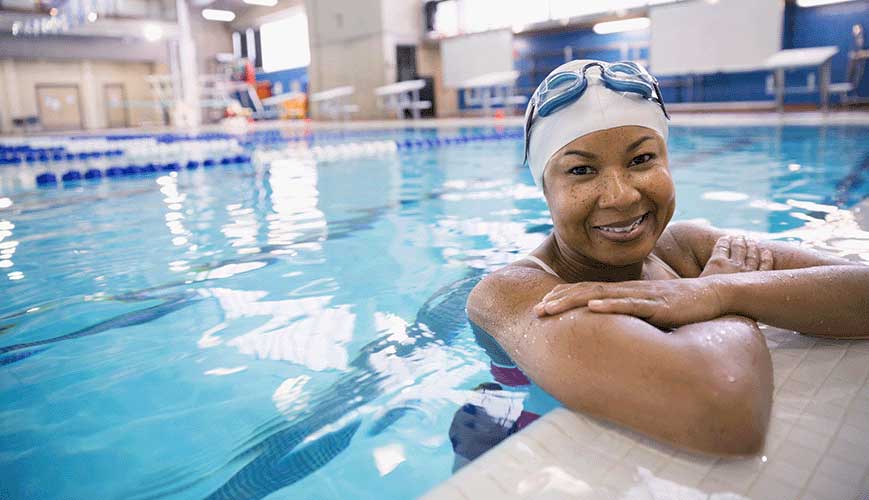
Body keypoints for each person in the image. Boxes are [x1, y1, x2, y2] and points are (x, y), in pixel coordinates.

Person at [466, 59, 869, 457]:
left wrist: (718, 291)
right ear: (545, 189)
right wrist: (719, 297)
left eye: (641, 160)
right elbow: (724, 412)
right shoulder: (513, 292)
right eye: (582, 170)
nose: (621, 195)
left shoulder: (685, 247)